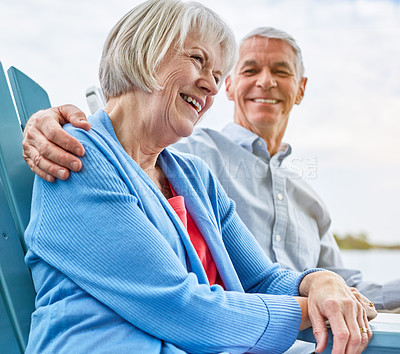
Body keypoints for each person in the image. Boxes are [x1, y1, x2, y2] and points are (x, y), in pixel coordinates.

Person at [23, 1, 376, 352]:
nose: (210, 86)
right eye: (198, 60)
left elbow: (263, 279)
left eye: (219, 76)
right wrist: (314, 308)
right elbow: (180, 308)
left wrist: (322, 282)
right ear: (145, 48)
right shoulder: (75, 157)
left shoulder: (196, 177)